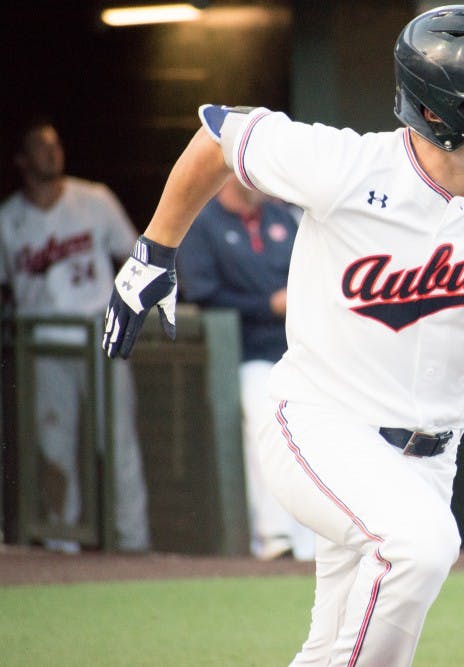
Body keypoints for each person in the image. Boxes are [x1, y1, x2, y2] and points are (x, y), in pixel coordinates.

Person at [100, 5, 464, 666]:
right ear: (440, 111)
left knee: (339, 648)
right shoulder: (349, 167)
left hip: (432, 457)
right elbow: (219, 135)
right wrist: (157, 251)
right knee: (420, 546)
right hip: (321, 423)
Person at [0, 118, 150, 553]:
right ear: (21, 160)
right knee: (53, 446)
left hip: (100, 335)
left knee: (119, 442)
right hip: (42, 346)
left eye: (56, 145)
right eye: (40, 147)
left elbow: (134, 254)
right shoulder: (8, 220)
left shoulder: (95, 200)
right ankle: (61, 547)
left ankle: (134, 544)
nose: (52, 153)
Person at [176, 175, 313, 561]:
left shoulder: (283, 216)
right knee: (267, 421)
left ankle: (310, 540)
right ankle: (274, 536)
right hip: (240, 353)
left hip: (297, 352)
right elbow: (204, 295)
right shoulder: (204, 223)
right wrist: (267, 305)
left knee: (316, 432)